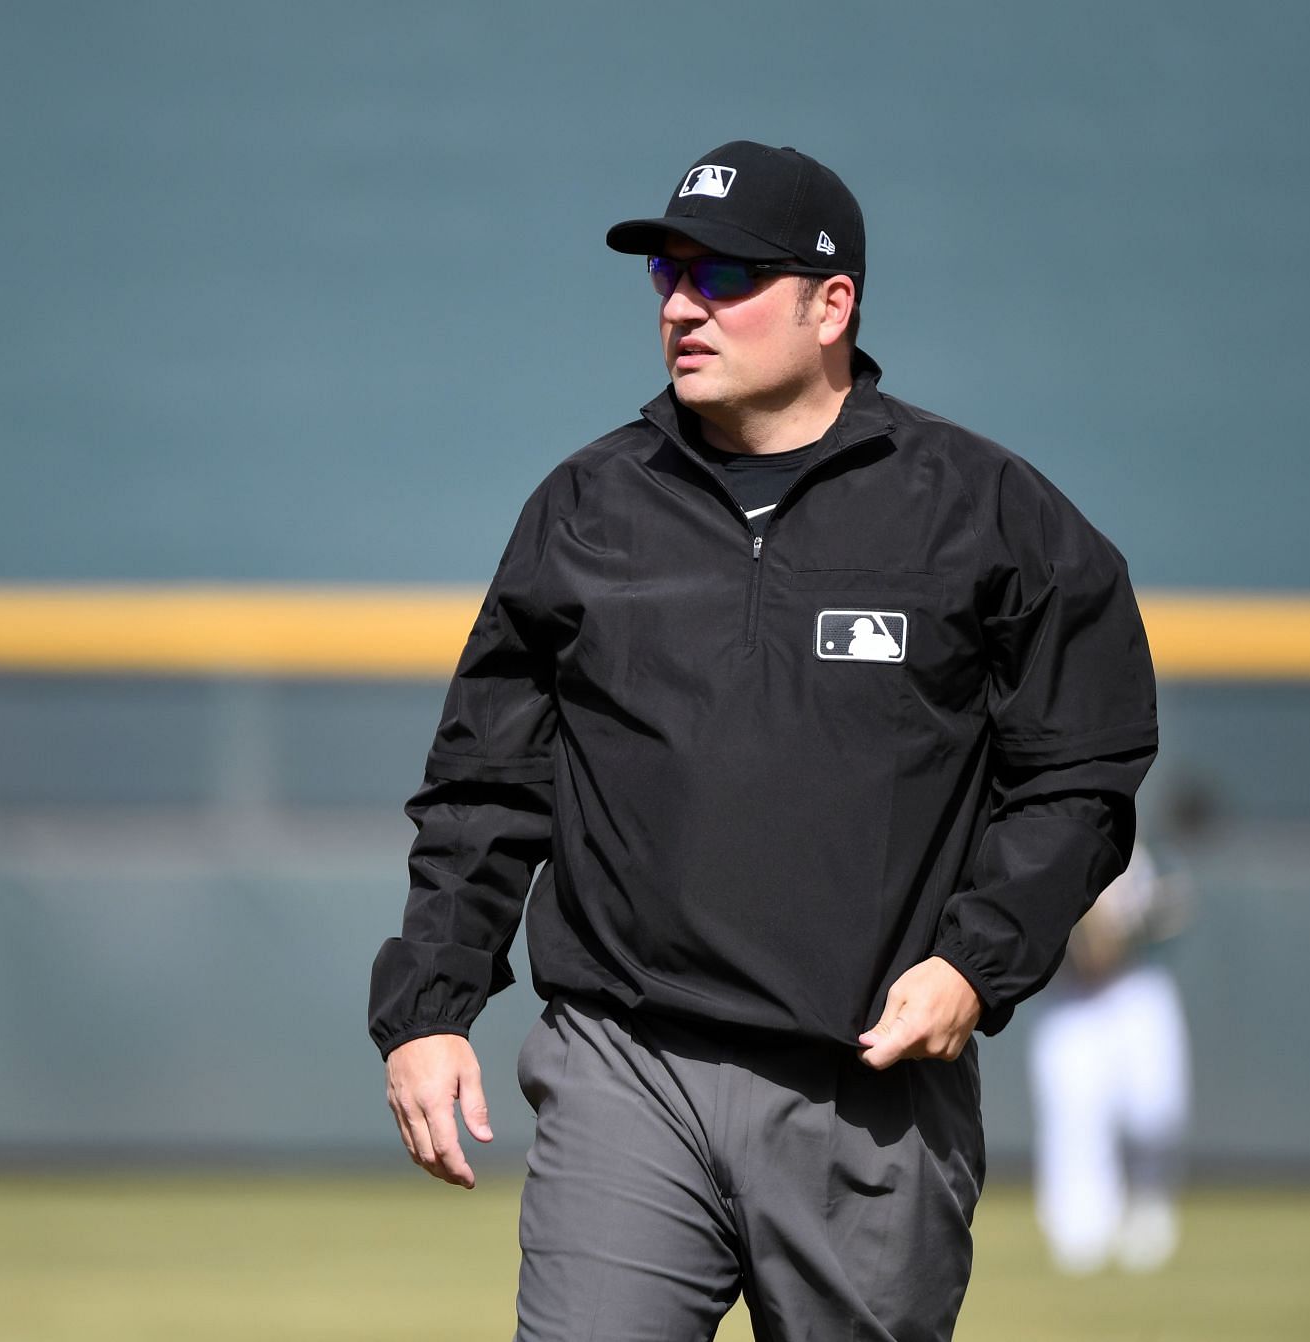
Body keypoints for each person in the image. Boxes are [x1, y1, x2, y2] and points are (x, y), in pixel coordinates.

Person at [368, 139, 1159, 1341]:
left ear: (830, 302)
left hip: (868, 1084)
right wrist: (430, 1004)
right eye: (668, 274)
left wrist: (975, 959)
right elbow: (484, 785)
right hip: (625, 1063)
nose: (684, 304)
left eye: (726, 275)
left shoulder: (985, 515)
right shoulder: (588, 509)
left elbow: (1083, 767)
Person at [1028, 841, 1192, 1275]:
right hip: (1072, 1000)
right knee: (1074, 1117)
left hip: (1134, 990)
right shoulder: (1037, 847)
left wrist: (1126, 925)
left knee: (1155, 1110)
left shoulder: (1134, 849)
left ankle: (1149, 1209)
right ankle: (1081, 1232)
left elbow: (1170, 914)